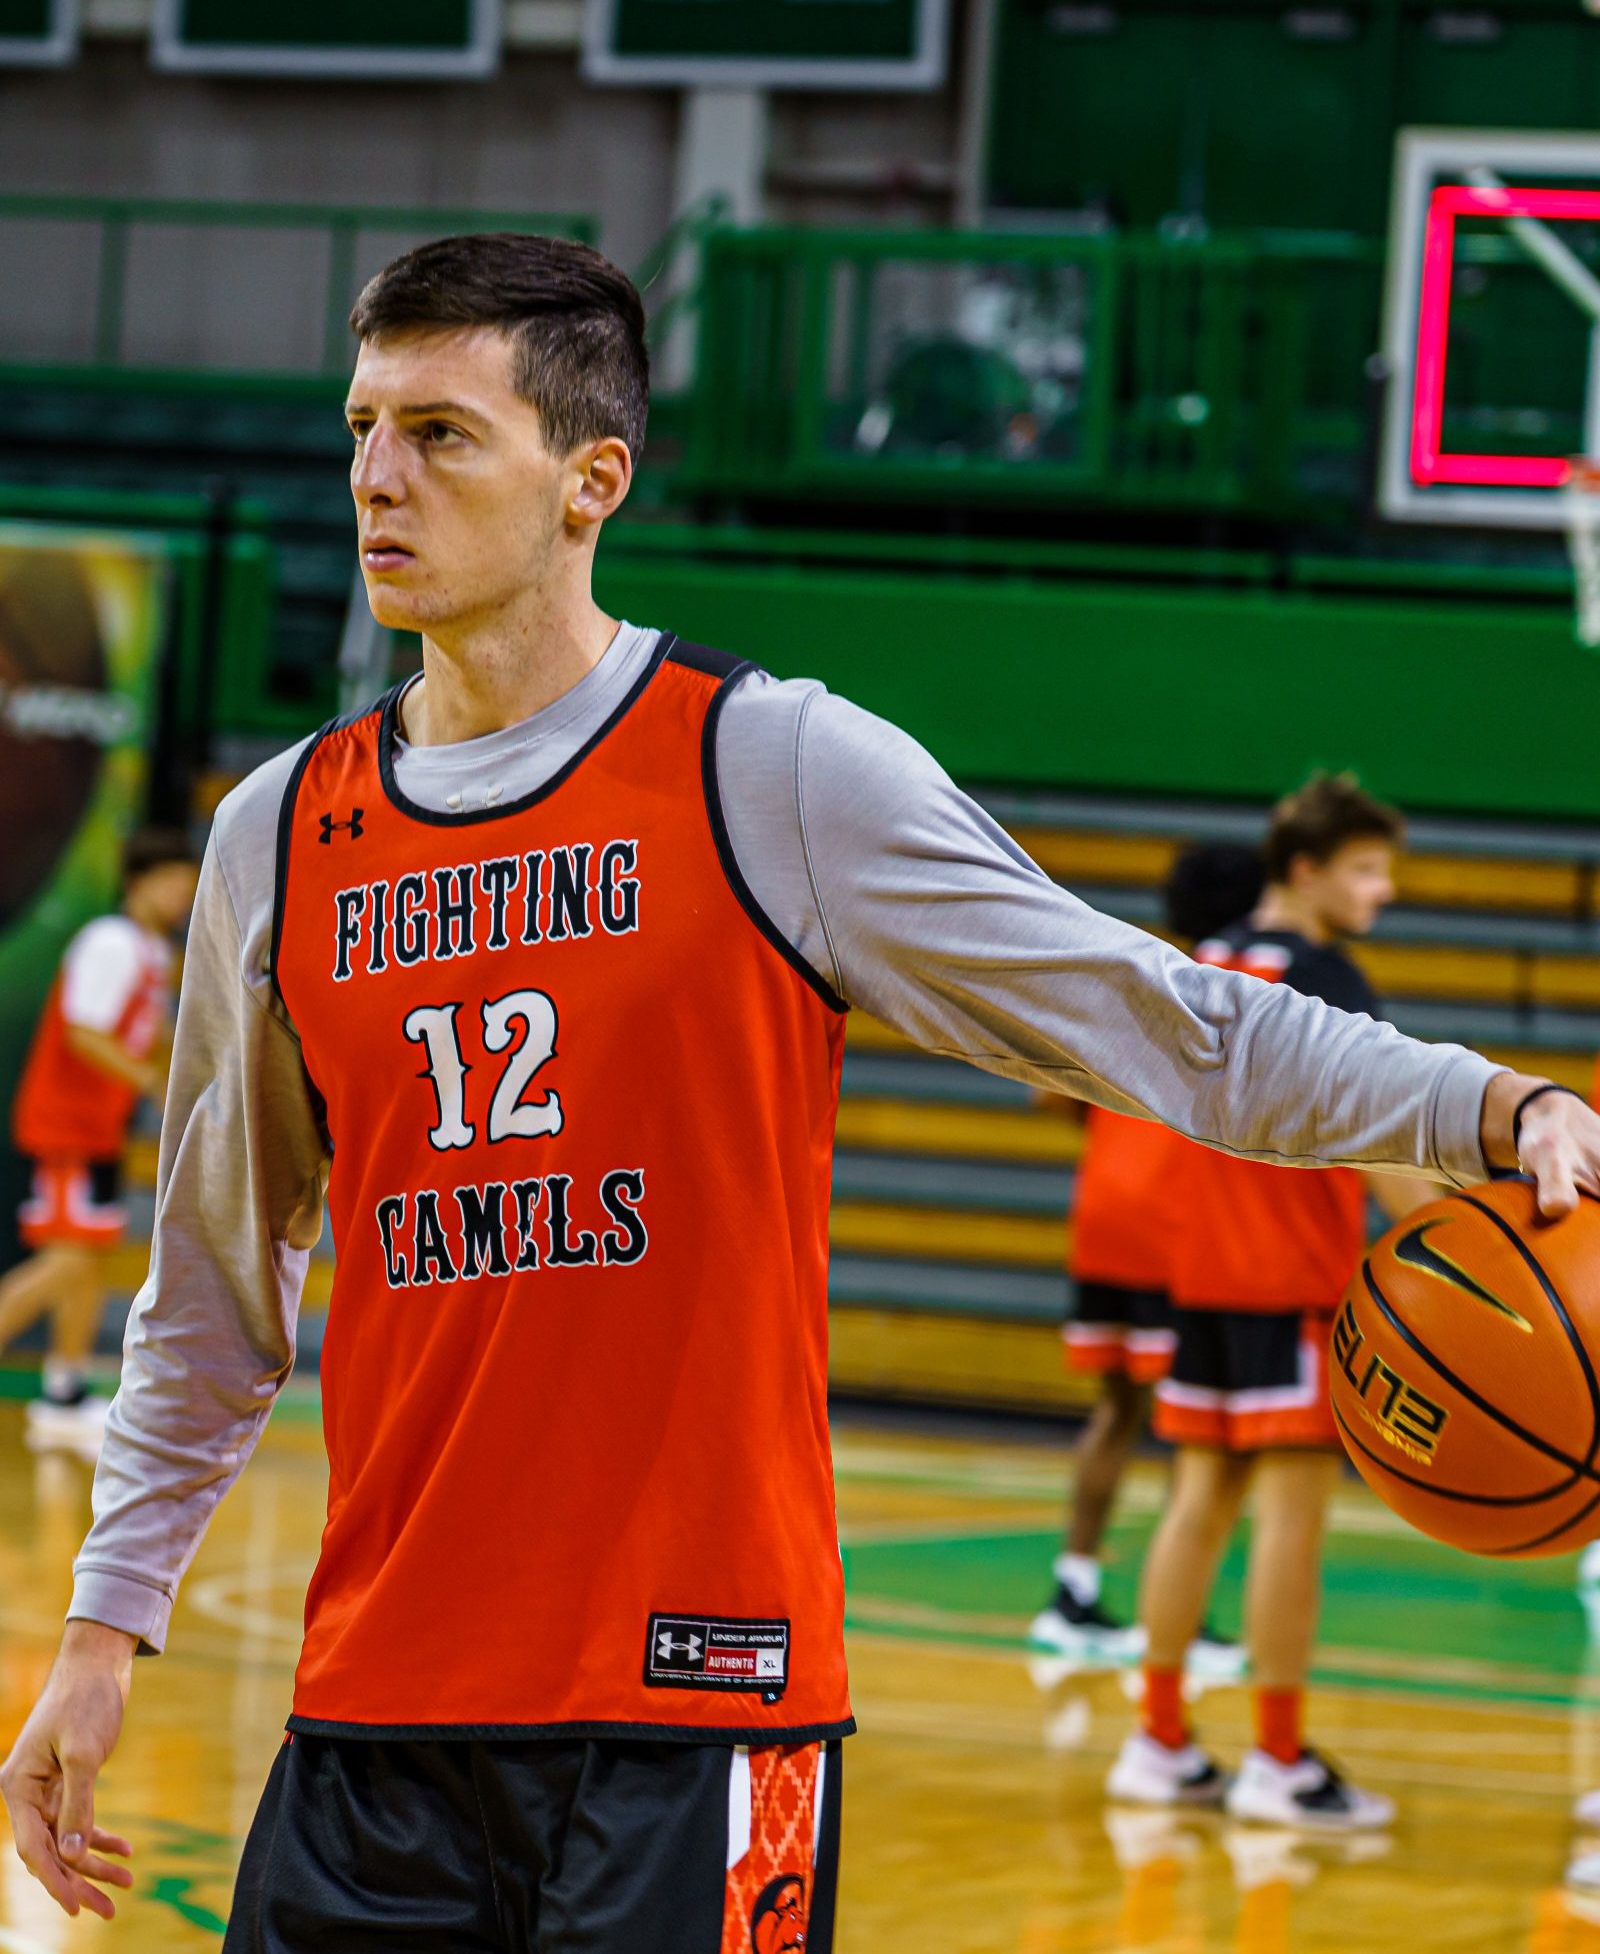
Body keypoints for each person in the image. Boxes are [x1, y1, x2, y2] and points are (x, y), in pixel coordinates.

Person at [2, 235, 1597, 1949]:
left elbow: (1158, 1019)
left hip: (700, 1711)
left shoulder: (767, 765)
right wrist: (101, 1633)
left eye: (443, 434)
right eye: (363, 423)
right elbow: (218, 1291)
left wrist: (1489, 1112)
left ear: (589, 480)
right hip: (377, 1709)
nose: (375, 477)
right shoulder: (279, 836)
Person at [1108, 775, 1443, 1830]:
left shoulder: (1200, 958)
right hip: (1290, 1277)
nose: (1381, 890)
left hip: (1199, 1270)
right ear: (1305, 869)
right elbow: (1384, 1132)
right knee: (1290, 1519)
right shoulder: (1325, 975)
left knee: (1198, 1499)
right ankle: (1279, 1758)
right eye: (1365, 868)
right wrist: (1452, 1254)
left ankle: (1159, 1740)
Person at [1029, 840, 1263, 1664]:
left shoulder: (1130, 970)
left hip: (1105, 1213)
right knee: (1193, 1431)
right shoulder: (1242, 985)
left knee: (1116, 1412)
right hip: (1174, 1227)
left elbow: (1044, 1087)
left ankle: (1073, 1592)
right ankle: (1184, 1617)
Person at [0, 829, 196, 1456]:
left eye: (187, 889)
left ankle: (63, 1389)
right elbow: (85, 1033)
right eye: (172, 883)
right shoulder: (110, 941)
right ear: (139, 881)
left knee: (87, 1261)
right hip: (64, 1122)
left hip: (98, 1126)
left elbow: (150, 1033)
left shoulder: (152, 953)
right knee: (66, 1262)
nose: (181, 898)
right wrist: (151, 1081)